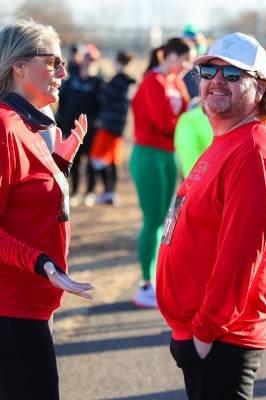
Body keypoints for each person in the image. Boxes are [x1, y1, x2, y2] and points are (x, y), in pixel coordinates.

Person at [0, 20, 94, 400]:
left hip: (22, 302)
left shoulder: (23, 123)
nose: (62, 73)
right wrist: (42, 263)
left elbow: (24, 199)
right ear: (18, 66)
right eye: (52, 62)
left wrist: (59, 164)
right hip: (3, 304)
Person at [157, 32, 266, 399]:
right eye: (209, 71)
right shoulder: (227, 141)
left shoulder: (254, 153)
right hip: (205, 334)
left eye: (232, 74)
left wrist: (203, 334)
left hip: (222, 339)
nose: (216, 80)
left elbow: (240, 258)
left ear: (259, 89)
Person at [129, 37, 193, 308]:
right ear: (170, 55)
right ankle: (146, 282)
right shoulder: (151, 81)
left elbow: (186, 113)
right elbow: (163, 121)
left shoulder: (175, 82)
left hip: (169, 155)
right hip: (148, 155)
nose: (187, 66)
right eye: (185, 60)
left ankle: (157, 277)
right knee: (152, 219)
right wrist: (189, 122)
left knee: (167, 220)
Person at [56, 44, 103, 207]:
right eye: (88, 58)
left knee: (91, 162)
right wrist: (61, 125)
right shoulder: (71, 81)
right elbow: (62, 105)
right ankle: (75, 192)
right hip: (72, 128)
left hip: (92, 130)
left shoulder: (99, 83)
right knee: (73, 161)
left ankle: (90, 192)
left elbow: (104, 106)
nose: (90, 62)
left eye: (93, 59)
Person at [89, 51, 136, 205]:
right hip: (118, 127)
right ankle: (110, 192)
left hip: (109, 126)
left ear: (118, 62)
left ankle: (108, 192)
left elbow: (103, 97)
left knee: (98, 158)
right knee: (113, 160)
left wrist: (102, 84)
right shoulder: (128, 82)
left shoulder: (118, 81)